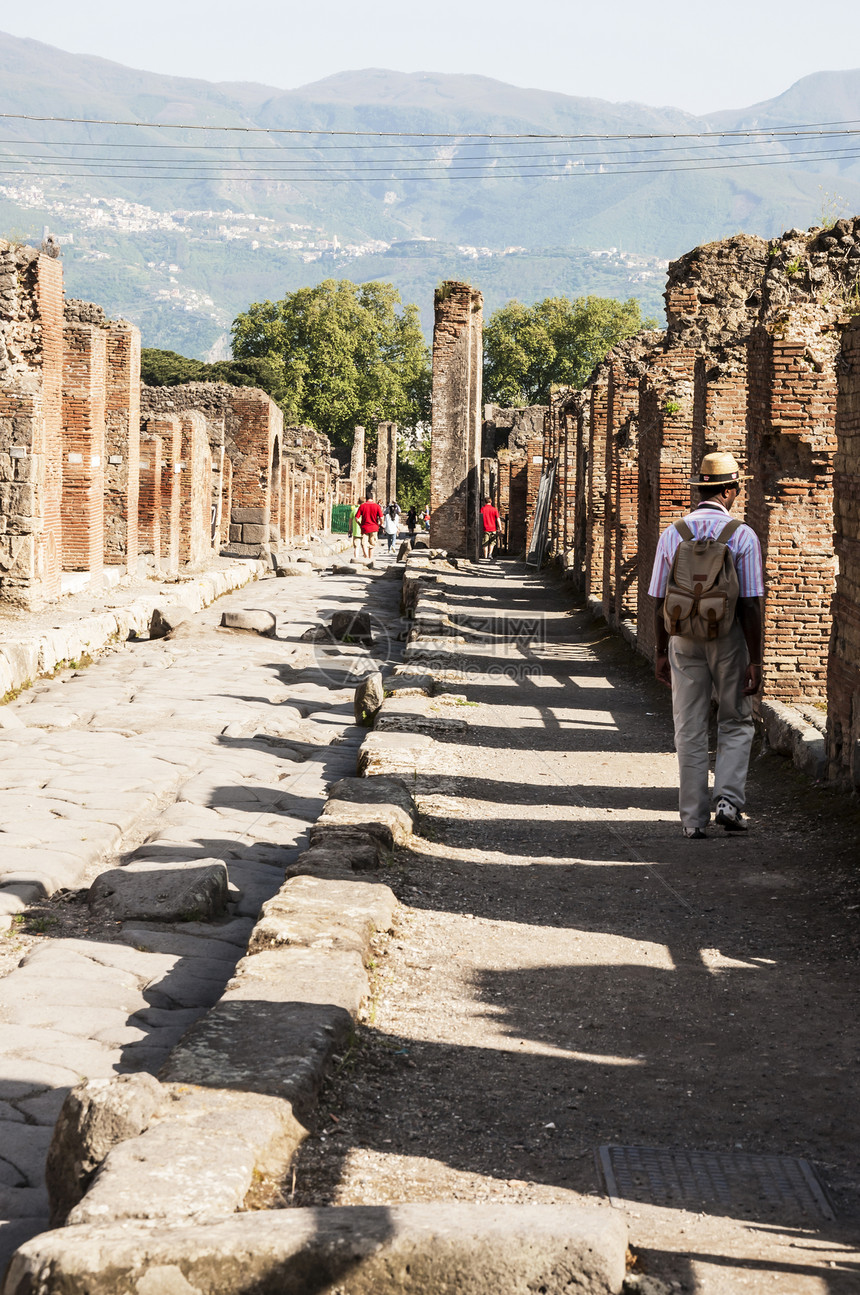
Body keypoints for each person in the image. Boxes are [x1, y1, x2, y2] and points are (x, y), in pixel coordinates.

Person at [648, 451, 764, 839]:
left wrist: (661, 651)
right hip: (728, 638)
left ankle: (693, 819)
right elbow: (749, 603)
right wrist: (755, 660)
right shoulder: (741, 535)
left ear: (702, 489)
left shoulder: (673, 533)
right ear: (730, 490)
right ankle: (728, 803)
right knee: (735, 719)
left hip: (682, 638)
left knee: (689, 727)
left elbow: (658, 599)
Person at [355, 490, 382, 560]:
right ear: (372, 498)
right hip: (374, 527)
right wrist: (380, 524)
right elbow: (382, 517)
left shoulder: (362, 506)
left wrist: (360, 525)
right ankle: (370, 558)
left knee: (364, 543)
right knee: (372, 544)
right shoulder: (377, 506)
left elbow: (356, 518)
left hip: (365, 527)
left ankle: (366, 556)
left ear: (366, 499)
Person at [480, 495, 501, 559]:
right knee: (492, 542)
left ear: (484, 502)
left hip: (485, 528)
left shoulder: (482, 509)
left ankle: (485, 556)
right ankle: (490, 554)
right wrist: (500, 527)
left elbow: (480, 518)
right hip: (493, 528)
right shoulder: (494, 509)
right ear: (491, 501)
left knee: (485, 543)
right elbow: (498, 519)